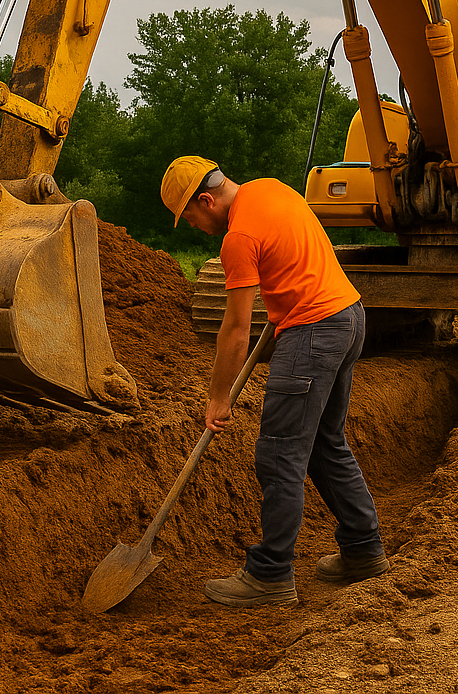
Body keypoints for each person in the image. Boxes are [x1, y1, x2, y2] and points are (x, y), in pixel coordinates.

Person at [160, 155, 388, 607]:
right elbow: (292, 257)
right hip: (348, 316)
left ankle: (269, 574)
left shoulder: (238, 238)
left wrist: (217, 397)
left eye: (189, 216)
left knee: (280, 454)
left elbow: (236, 328)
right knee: (326, 443)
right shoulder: (271, 188)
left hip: (312, 333)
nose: (192, 226)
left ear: (206, 200)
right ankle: (363, 552)